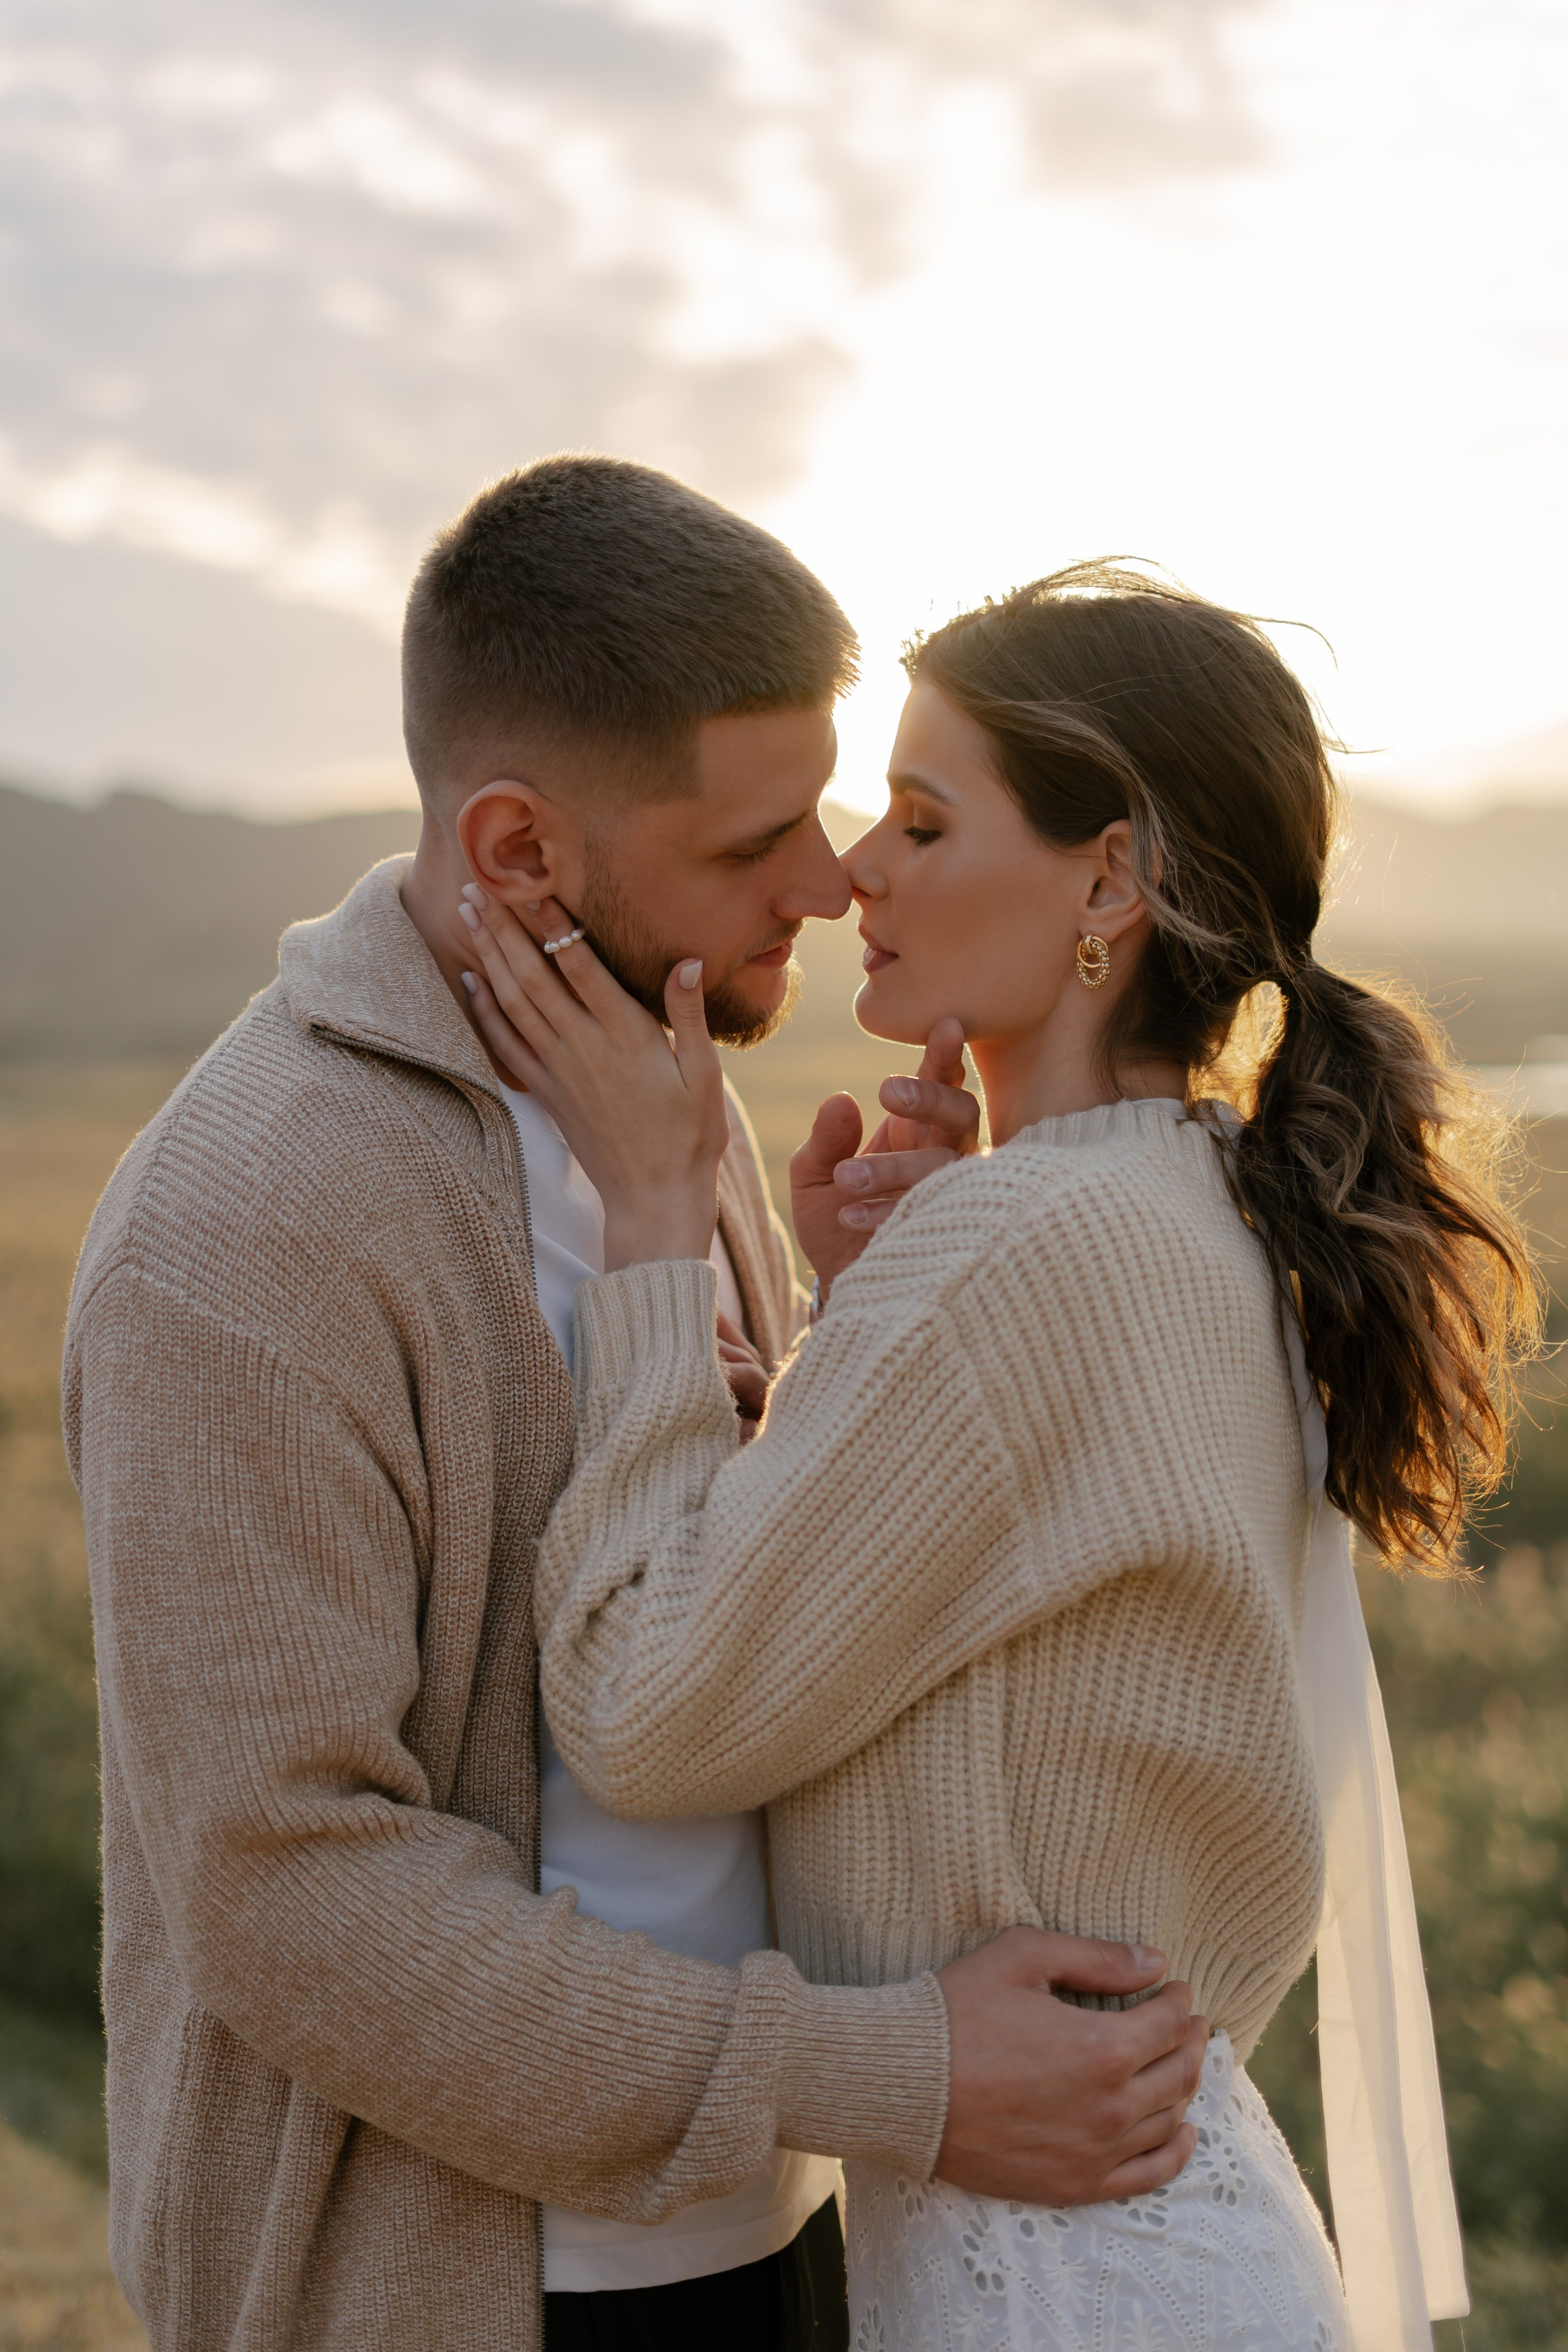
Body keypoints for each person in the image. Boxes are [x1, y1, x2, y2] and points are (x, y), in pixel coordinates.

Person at [64, 470, 1210, 2352]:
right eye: (759, 835)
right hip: (462, 2293)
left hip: (776, 2241)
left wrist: (848, 1332)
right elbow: (294, 1898)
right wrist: (891, 2071)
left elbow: (675, 1620)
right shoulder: (242, 1233)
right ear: (519, 851)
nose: (835, 880)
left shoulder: (662, 1084)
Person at [456, 561, 1539, 2351]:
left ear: (1108, 876)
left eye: (924, 816)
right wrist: (844, 1343)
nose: (858, 868)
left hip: (1055, 2283)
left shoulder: (1021, 1249)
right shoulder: (1203, 1208)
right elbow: (976, 1653)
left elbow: (648, 1709)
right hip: (1153, 2241)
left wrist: (655, 1233)